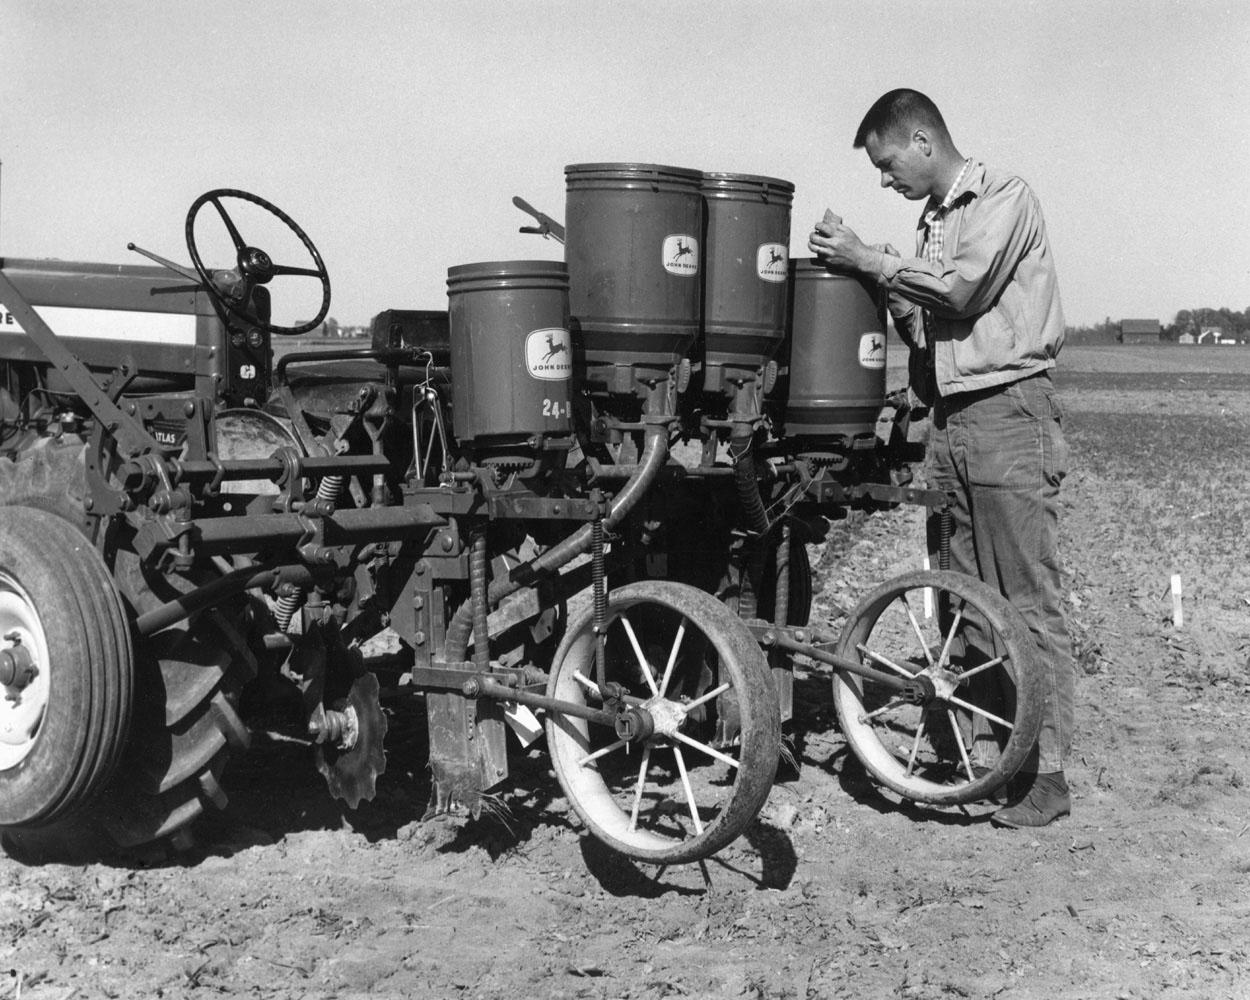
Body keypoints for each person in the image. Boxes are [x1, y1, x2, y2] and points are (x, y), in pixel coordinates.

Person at [808, 88, 1075, 828]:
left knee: (1024, 593)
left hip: (1008, 411)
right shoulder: (931, 223)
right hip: (953, 420)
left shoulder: (1004, 199)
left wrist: (873, 258)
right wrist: (878, 282)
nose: (887, 180)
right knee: (964, 597)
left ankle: (1045, 774)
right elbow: (931, 334)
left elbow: (959, 292)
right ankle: (996, 754)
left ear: (924, 141)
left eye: (888, 164)